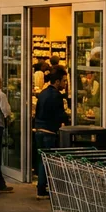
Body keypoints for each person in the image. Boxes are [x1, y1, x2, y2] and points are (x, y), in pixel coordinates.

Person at [34, 69, 69, 200]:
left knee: (41, 160)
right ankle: (41, 189)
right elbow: (60, 115)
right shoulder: (57, 96)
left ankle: (42, 186)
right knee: (46, 160)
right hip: (49, 131)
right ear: (57, 81)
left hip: (39, 129)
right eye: (64, 81)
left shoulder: (42, 93)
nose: (65, 84)